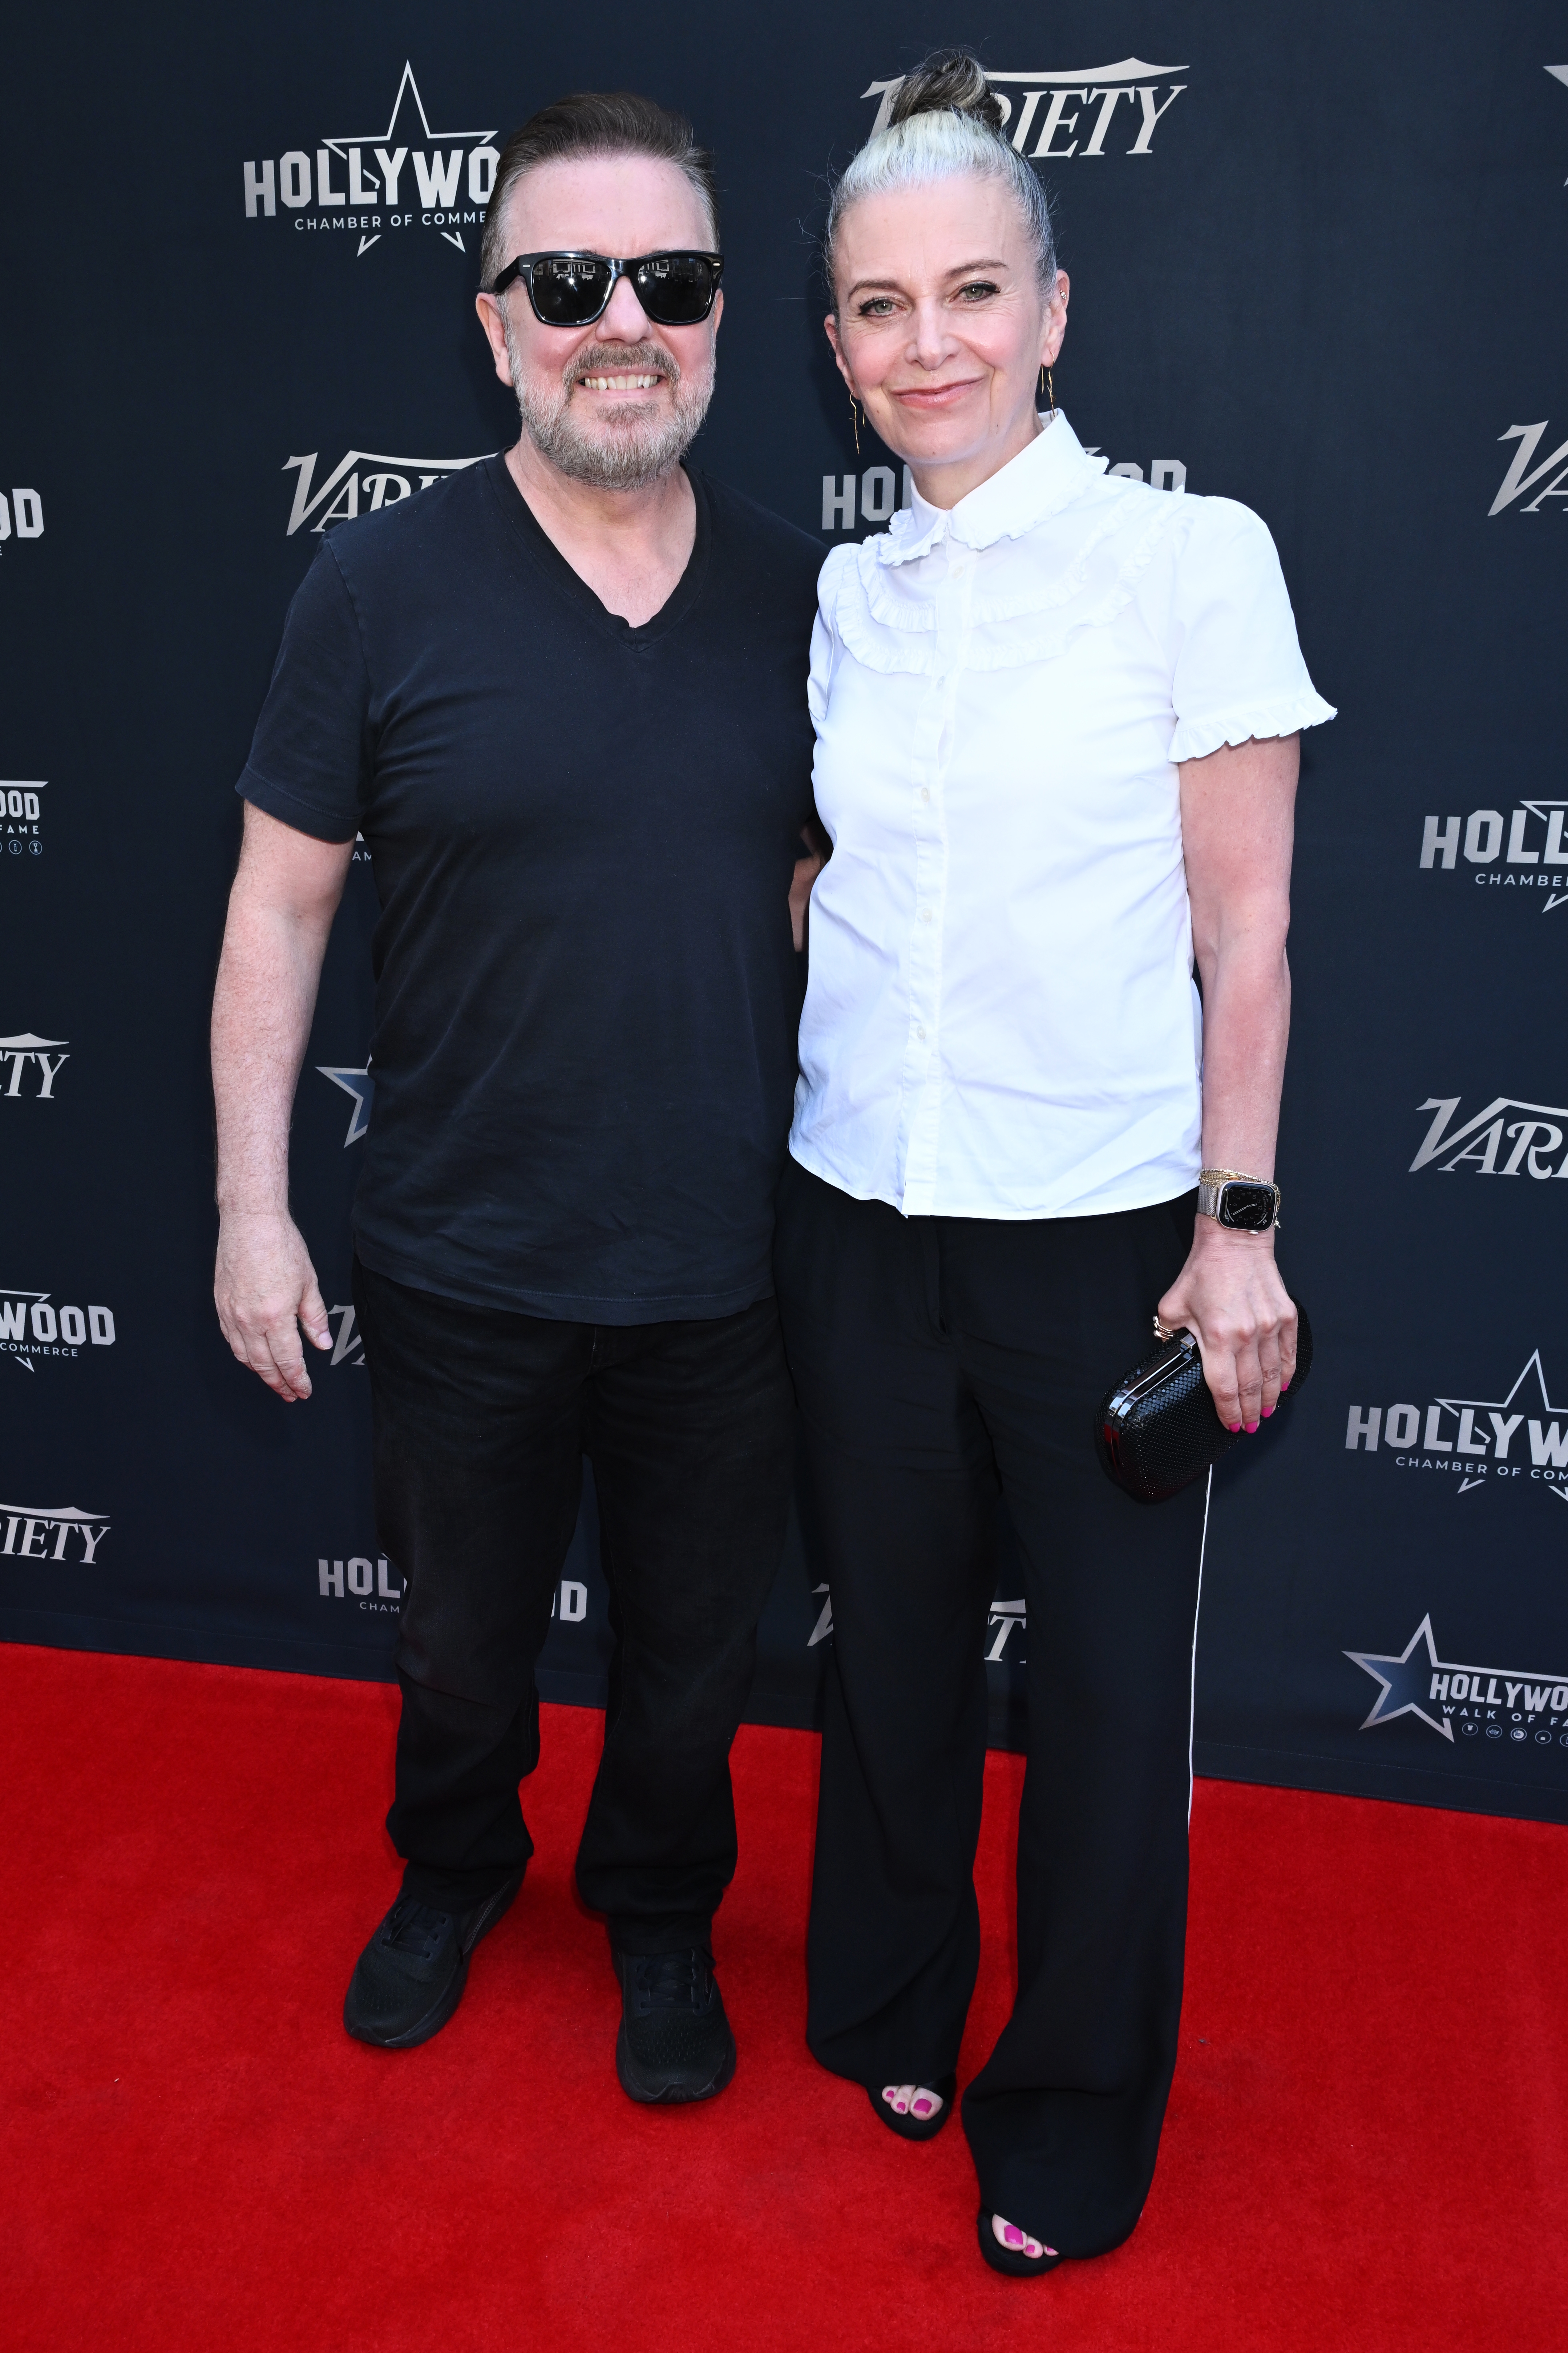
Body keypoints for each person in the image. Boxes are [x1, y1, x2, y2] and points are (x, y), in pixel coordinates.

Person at [775, 52, 1334, 2272]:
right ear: (834, 344)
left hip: (1101, 1230)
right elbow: (834, 882)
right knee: (891, 1647)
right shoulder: (849, 600)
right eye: (885, 307)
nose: (933, 345)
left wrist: (1241, 1228)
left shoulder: (1190, 559)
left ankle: (1077, 2108)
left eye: (974, 292)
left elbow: (1251, 928)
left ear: (1056, 307)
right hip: (850, 1212)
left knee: (1106, 1704)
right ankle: (898, 1987)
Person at [210, 89, 825, 2103]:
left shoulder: (822, 605)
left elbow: (857, 904)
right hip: (461, 1255)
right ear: (495, 326)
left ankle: (658, 1910)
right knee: (461, 1647)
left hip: (730, 1267)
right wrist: (250, 1206)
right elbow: (280, 912)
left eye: (672, 278)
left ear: (725, 321)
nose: (621, 319)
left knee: (690, 1659)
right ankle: (458, 1867)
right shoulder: (376, 590)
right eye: (570, 280)